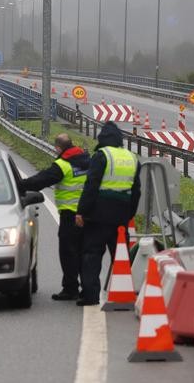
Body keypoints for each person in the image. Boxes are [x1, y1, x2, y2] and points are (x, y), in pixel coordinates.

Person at [75, 121, 141, 306]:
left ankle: (91, 296)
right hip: (121, 218)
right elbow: (136, 191)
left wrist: (82, 211)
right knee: (121, 257)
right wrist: (129, 214)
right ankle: (124, 293)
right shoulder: (132, 158)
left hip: (97, 217)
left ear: (102, 139)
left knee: (91, 255)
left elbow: (91, 187)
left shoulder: (101, 155)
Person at [19, 133, 90, 301]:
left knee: (68, 253)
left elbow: (39, 181)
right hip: (89, 214)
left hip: (70, 215)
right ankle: (88, 289)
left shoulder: (62, 165)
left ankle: (70, 288)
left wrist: (19, 184)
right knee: (86, 253)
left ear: (58, 148)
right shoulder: (90, 161)